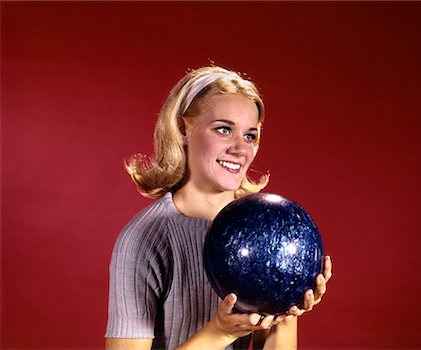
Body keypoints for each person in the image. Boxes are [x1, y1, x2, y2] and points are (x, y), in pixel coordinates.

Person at [105, 66, 332, 350]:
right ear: (183, 129)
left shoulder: (265, 227)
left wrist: (285, 306)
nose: (240, 148)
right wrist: (220, 332)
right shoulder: (146, 238)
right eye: (224, 129)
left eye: (250, 135)